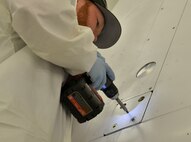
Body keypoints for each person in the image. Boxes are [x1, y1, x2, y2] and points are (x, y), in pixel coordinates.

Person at [0, 0, 121, 141]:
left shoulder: (57, 49)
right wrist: (87, 57)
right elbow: (38, 9)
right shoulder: (58, 39)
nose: (93, 37)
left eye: (95, 39)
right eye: (97, 23)